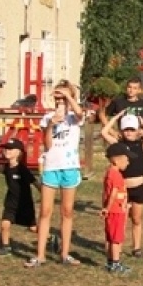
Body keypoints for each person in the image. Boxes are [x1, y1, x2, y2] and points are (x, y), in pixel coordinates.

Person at [30, 81, 85, 267]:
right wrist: (50, 126)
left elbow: (80, 114)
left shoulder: (73, 117)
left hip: (69, 167)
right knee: (45, 211)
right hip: (51, 167)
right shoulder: (47, 118)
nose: (60, 101)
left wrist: (69, 97)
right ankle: (40, 255)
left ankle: (65, 254)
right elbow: (48, 145)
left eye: (63, 97)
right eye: (57, 97)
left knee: (67, 211)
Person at [110, 110, 143, 257]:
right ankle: (117, 246)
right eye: (126, 129)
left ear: (137, 130)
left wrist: (142, 122)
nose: (129, 132)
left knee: (136, 218)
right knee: (121, 219)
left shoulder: (142, 143)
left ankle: (137, 247)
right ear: (121, 131)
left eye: (132, 129)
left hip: (139, 187)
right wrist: (117, 117)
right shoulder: (119, 145)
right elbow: (106, 132)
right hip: (123, 188)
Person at [0, 138, 36, 255]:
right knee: (5, 224)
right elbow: (0, 169)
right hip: (11, 202)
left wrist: (45, 193)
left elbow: (35, 182)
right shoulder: (7, 167)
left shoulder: (22, 169)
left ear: (19, 152)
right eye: (6, 148)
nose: (7, 151)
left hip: (24, 204)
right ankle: (5, 247)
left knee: (33, 228)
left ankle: (50, 238)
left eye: (11, 149)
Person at [102, 142, 133, 275]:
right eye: (126, 159)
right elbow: (113, 192)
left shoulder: (110, 173)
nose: (128, 162)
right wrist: (108, 208)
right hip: (116, 211)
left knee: (111, 237)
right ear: (116, 160)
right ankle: (115, 263)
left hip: (115, 209)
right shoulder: (116, 175)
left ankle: (111, 262)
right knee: (116, 238)